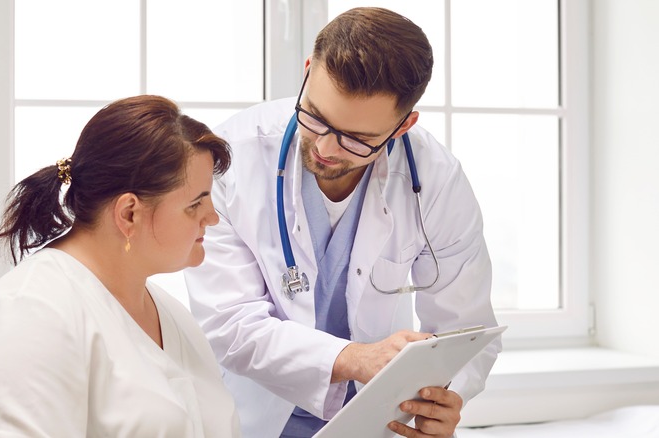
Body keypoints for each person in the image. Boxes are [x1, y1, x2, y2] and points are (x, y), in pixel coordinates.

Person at [183, 7, 500, 438]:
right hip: (255, 417)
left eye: (358, 139)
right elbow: (229, 324)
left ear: (403, 126)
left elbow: (465, 327)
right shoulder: (231, 161)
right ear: (309, 71)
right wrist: (355, 358)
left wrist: (444, 396)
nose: (328, 148)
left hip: (377, 418)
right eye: (315, 116)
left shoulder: (435, 179)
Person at [0, 95, 240, 437]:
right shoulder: (31, 316)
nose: (213, 218)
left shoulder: (172, 316)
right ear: (128, 213)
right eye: (195, 205)